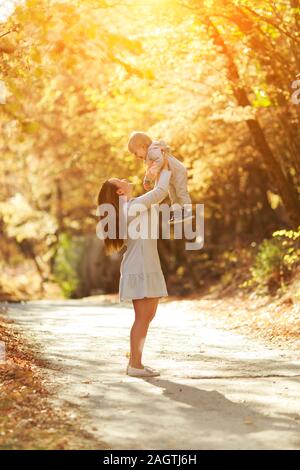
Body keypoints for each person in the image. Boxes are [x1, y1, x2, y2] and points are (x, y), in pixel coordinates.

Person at [97, 153, 171, 377]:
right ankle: (135, 366)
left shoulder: (129, 206)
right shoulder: (132, 207)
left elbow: (154, 195)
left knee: (146, 317)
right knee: (143, 318)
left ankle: (136, 363)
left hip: (145, 265)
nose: (123, 179)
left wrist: (153, 175)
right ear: (120, 191)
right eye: (119, 181)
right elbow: (160, 193)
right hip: (140, 267)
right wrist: (165, 167)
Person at [127, 131, 194, 224]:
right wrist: (147, 178)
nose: (136, 157)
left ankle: (186, 211)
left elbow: (160, 161)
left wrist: (149, 178)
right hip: (171, 175)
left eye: (135, 153)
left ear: (143, 146)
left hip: (178, 172)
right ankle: (178, 213)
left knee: (181, 192)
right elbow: (153, 168)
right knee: (173, 195)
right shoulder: (151, 153)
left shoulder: (152, 152)